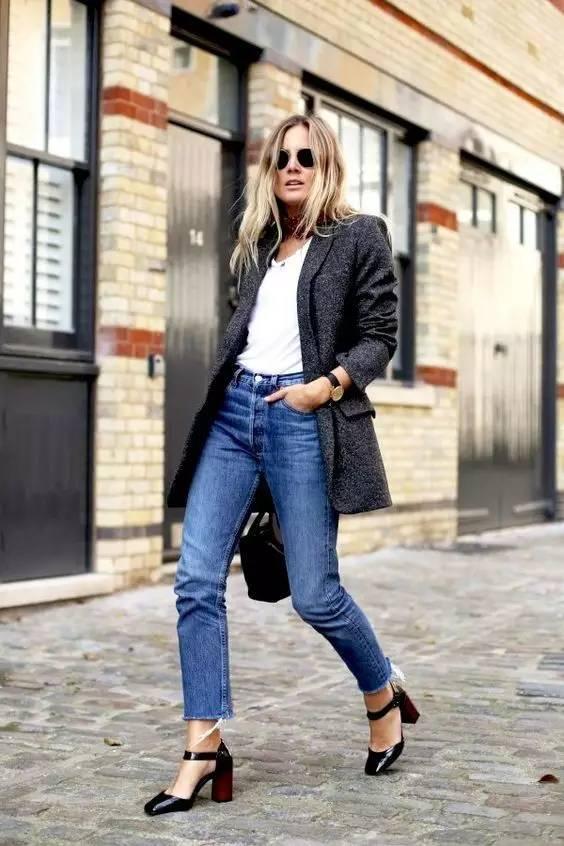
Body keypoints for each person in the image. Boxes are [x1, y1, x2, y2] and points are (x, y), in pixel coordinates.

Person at [144, 114, 420, 817]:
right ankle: (203, 746)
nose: (292, 167)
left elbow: (379, 337)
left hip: (304, 415)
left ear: (326, 166)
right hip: (235, 415)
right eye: (281, 158)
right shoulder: (260, 244)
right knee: (195, 580)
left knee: (316, 595)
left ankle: (381, 692)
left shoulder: (359, 236)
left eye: (305, 157)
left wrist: (323, 388)